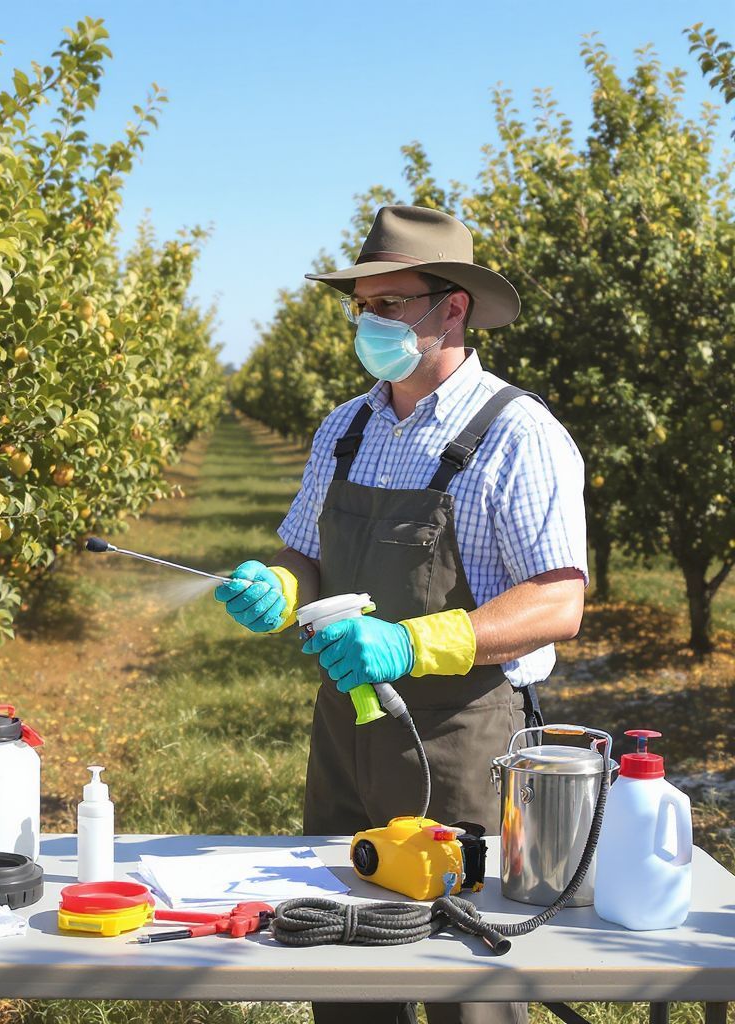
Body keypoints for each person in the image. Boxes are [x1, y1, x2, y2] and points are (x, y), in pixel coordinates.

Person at [215, 205, 588, 1024]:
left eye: (391, 304)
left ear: (452, 307)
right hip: (345, 734)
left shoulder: (517, 434)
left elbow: (560, 599)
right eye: (362, 306)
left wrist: (420, 640)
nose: (370, 322)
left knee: (465, 978)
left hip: (461, 740)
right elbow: (304, 551)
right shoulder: (344, 428)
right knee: (344, 964)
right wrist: (281, 585)